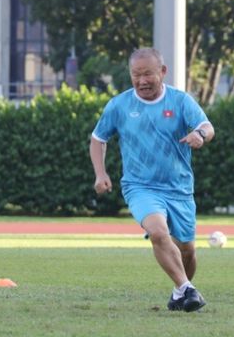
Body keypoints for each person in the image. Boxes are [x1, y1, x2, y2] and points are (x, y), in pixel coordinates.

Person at [89, 47, 214, 312]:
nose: (142, 80)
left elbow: (207, 126)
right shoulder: (120, 105)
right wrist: (101, 173)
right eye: (136, 74)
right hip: (140, 187)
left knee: (188, 251)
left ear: (163, 72)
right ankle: (187, 288)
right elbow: (98, 138)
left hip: (179, 188)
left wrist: (199, 136)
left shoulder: (180, 101)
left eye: (148, 74)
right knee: (158, 232)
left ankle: (180, 290)